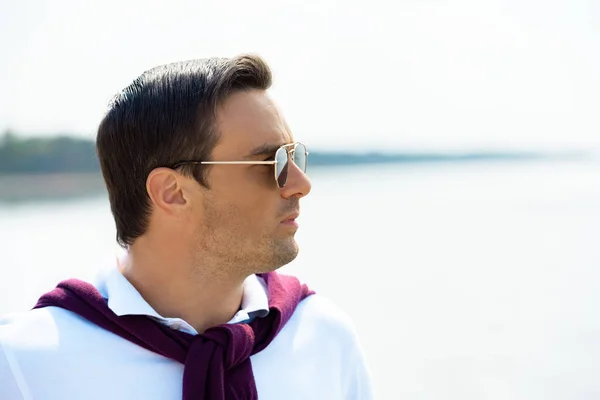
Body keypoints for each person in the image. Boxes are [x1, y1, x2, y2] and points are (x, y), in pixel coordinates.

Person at [0, 54, 374, 399]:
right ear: (173, 192)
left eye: (294, 157)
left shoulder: (325, 338)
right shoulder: (24, 363)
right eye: (270, 162)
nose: (300, 184)